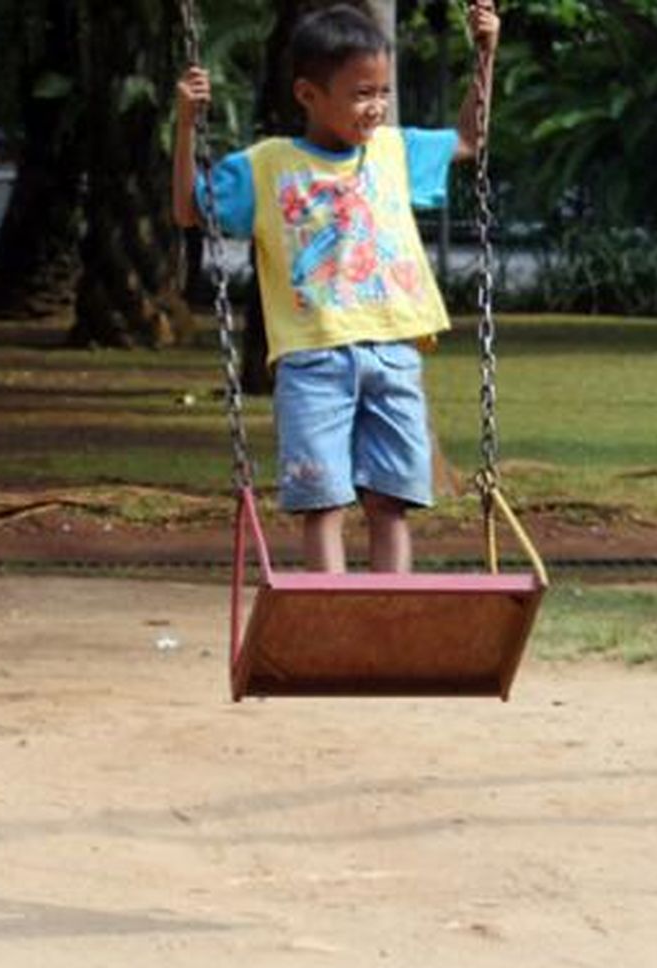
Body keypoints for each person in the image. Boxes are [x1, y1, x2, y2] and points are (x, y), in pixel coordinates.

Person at [171, 1, 498, 574]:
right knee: (322, 501)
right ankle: (332, 618)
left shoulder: (394, 150)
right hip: (312, 358)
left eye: (382, 93)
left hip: (395, 352)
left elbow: (470, 139)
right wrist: (185, 125)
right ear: (308, 95)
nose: (375, 108)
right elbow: (188, 210)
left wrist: (486, 54)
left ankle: (389, 620)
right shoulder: (269, 166)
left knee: (391, 500)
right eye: (360, 94)